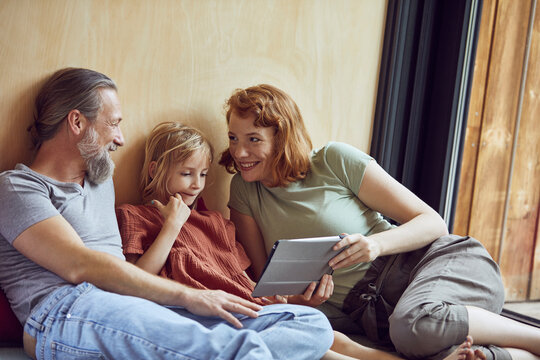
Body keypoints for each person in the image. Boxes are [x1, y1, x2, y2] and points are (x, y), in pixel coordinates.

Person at [0, 68, 335, 360]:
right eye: (113, 125)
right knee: (236, 350)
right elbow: (80, 266)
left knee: (309, 325)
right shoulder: (17, 188)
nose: (120, 138)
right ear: (76, 122)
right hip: (66, 311)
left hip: (133, 301)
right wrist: (190, 296)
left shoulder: (99, 180)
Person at [218, 84, 540, 360]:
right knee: (413, 334)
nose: (239, 152)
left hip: (432, 266)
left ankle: (533, 338)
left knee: (414, 325)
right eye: (233, 138)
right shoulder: (245, 192)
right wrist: (302, 301)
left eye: (253, 139)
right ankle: (498, 353)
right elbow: (268, 288)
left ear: (282, 136)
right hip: (378, 317)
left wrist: (375, 244)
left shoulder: (333, 160)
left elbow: (432, 222)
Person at [116, 121, 483, 360]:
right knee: (327, 348)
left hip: (249, 304)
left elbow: (250, 283)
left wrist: (294, 298)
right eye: (186, 174)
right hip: (210, 312)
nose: (197, 184)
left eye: (202, 174)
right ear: (154, 170)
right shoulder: (136, 216)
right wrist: (171, 228)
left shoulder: (213, 220)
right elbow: (135, 281)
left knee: (339, 340)